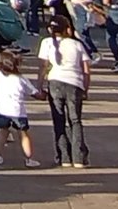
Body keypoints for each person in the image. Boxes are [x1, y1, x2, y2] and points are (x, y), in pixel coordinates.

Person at [38, 13, 92, 167]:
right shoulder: (77, 44)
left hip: (54, 81)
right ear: (67, 29)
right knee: (75, 121)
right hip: (74, 83)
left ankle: (64, 157)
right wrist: (85, 89)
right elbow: (86, 70)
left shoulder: (47, 43)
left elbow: (43, 67)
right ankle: (79, 157)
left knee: (58, 120)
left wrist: (39, 86)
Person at [0, 51, 41, 168]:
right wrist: (43, 95)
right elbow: (35, 93)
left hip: (2, 111)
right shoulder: (21, 79)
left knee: (2, 134)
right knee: (23, 135)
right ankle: (29, 158)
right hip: (18, 112)